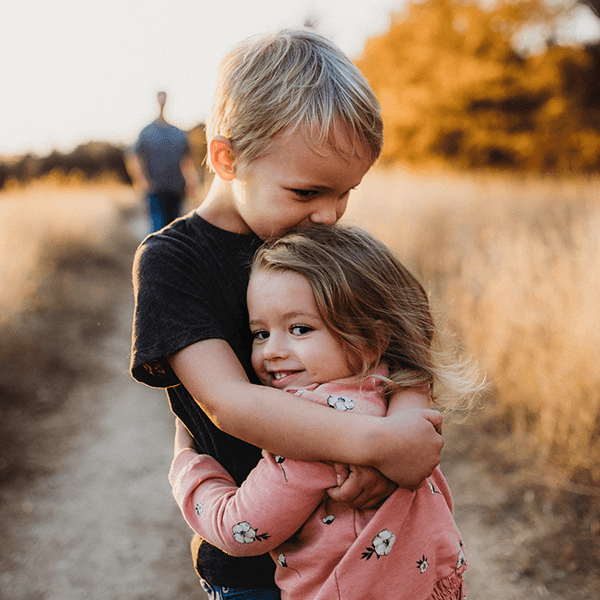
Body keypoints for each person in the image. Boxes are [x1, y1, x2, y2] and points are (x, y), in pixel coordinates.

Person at [131, 29, 444, 600]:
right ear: (228, 158)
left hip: (374, 547)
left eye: (345, 193)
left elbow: (406, 335)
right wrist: (375, 446)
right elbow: (230, 402)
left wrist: (406, 422)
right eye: (306, 192)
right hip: (257, 566)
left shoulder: (318, 240)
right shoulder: (174, 261)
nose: (329, 215)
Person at [169, 224, 483, 600]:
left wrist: (188, 469)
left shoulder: (308, 427)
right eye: (260, 333)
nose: (271, 351)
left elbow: (240, 529)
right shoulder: (389, 391)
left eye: (300, 329)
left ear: (371, 339)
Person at [126, 91, 199, 232]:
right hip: (154, 190)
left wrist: (192, 183)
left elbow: (187, 161)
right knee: (157, 229)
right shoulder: (146, 132)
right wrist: (141, 180)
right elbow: (133, 157)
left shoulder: (178, 133)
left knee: (174, 230)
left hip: (176, 189)